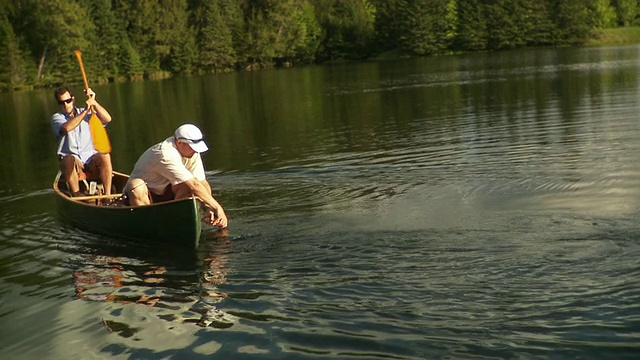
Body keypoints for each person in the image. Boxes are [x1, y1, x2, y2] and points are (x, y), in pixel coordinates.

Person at [123, 124, 228, 228]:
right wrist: (218, 208)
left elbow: (201, 182)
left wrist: (209, 207)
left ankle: (177, 221)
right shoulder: (165, 154)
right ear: (179, 142)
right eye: (192, 147)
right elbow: (194, 185)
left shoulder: (192, 153)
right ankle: (146, 224)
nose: (195, 151)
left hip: (166, 193)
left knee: (186, 185)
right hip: (144, 195)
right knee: (136, 185)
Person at [51, 86, 113, 197]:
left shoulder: (89, 114)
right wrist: (85, 111)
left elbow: (107, 119)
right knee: (68, 159)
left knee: (105, 156)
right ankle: (77, 194)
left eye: (68, 101)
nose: (65, 105)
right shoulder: (57, 118)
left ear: (73, 99)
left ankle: (107, 196)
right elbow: (66, 128)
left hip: (90, 158)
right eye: (62, 102)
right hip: (73, 162)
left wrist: (94, 103)